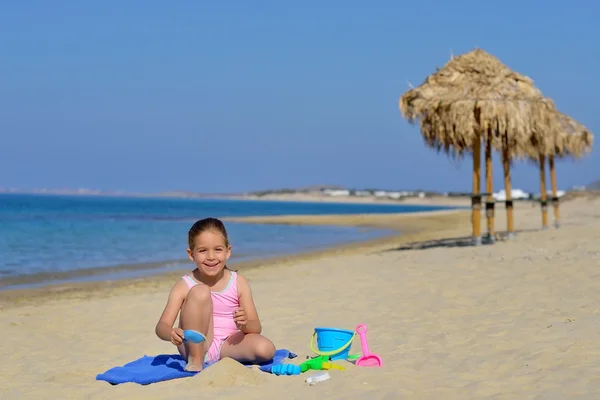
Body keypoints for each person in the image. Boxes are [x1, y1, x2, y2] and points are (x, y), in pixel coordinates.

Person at [155, 217, 276, 371]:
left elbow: (256, 327)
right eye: (203, 250)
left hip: (228, 344)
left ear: (228, 252)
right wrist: (170, 333)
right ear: (191, 254)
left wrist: (245, 324)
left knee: (265, 349)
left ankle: (215, 358)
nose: (211, 257)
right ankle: (197, 359)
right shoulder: (184, 285)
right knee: (200, 291)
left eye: (218, 249)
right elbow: (161, 326)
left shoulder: (238, 282)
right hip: (194, 346)